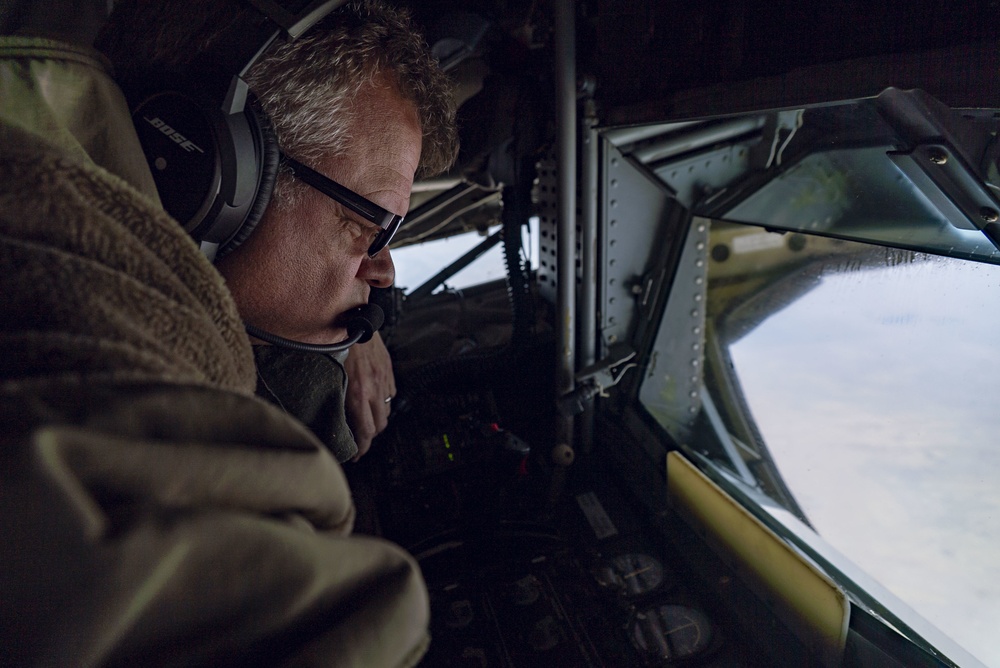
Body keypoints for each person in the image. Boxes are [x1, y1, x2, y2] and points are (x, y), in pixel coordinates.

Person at [0, 0, 456, 664]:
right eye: (374, 228)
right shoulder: (82, 277)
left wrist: (349, 324)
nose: (382, 273)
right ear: (219, 170)